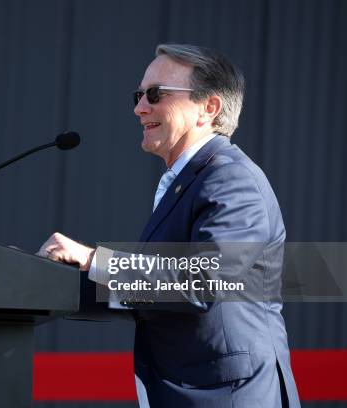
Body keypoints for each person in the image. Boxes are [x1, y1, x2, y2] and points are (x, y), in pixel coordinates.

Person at [36, 44, 300, 407]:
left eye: (156, 94)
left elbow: (202, 282)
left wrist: (96, 259)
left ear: (208, 108)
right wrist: (34, 281)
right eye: (139, 95)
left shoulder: (231, 179)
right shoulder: (188, 180)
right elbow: (156, 293)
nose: (139, 107)